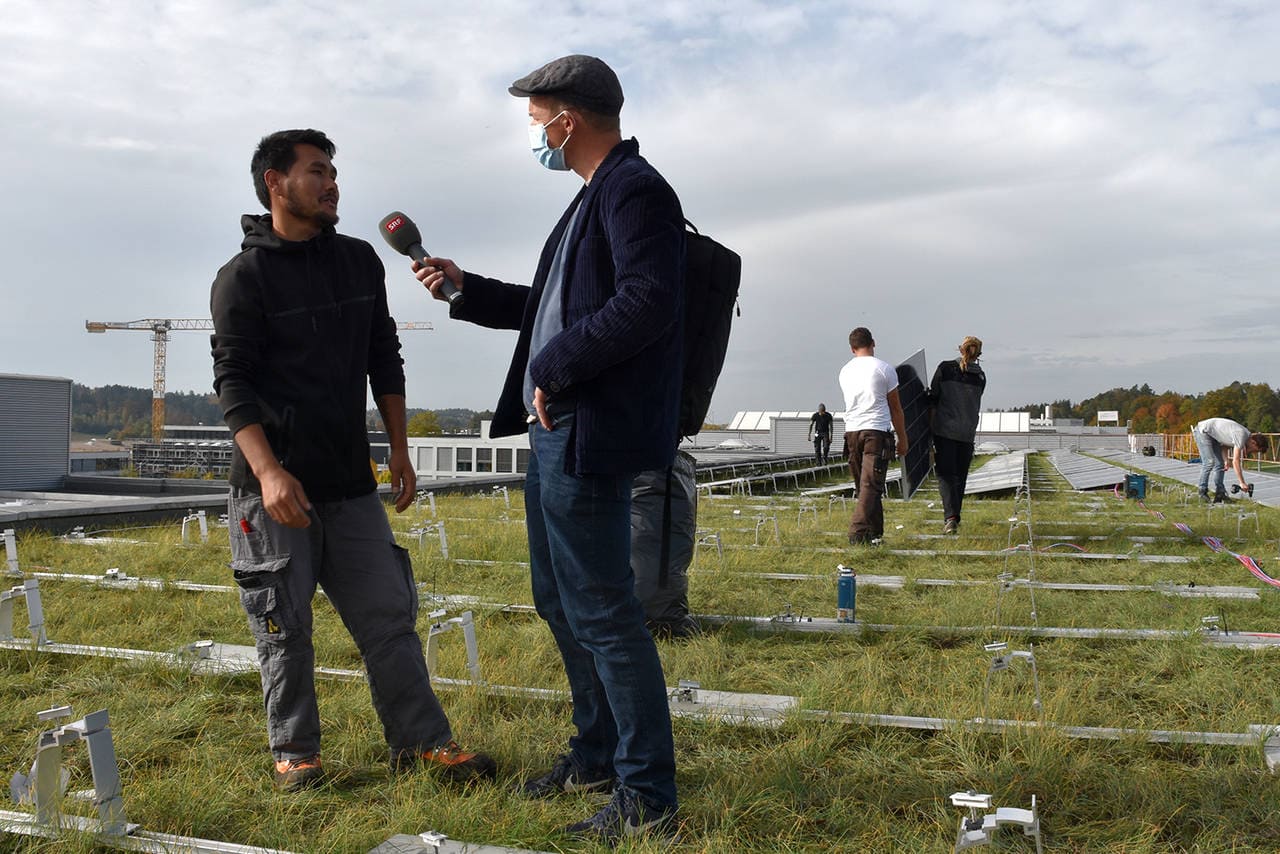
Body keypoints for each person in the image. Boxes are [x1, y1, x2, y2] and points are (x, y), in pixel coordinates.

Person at [411, 55, 682, 843]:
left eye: (537, 121)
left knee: (603, 609)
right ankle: (596, 753)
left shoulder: (635, 189)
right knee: (559, 599)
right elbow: (551, 309)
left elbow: (649, 300)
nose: (534, 134)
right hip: (558, 429)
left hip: (587, 430)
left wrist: (554, 367)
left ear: (568, 119)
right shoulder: (591, 200)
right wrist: (468, 290)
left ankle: (648, 795)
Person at [210, 129, 494, 792]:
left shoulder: (361, 261)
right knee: (285, 627)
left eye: (333, 171)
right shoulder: (242, 278)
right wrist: (269, 471)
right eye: (316, 171)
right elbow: (233, 385)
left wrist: (398, 448)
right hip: (273, 492)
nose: (332, 183)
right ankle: (296, 752)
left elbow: (382, 357)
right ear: (276, 183)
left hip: (350, 484)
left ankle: (422, 744)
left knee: (388, 617)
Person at [839, 327, 908, 545]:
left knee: (866, 485)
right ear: (873, 343)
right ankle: (858, 533)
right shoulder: (884, 369)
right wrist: (903, 438)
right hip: (876, 431)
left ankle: (875, 533)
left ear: (852, 349)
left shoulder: (844, 371)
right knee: (871, 485)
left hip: (851, 432)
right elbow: (896, 408)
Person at [927, 336, 986, 534]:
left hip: (945, 431)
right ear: (978, 354)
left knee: (946, 476)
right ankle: (954, 518)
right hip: (967, 433)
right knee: (960, 477)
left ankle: (950, 518)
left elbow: (933, 399)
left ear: (961, 349)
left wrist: (928, 430)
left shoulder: (945, 368)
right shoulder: (980, 377)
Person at [1190, 417, 1269, 502]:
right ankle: (1202, 492)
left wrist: (1226, 459)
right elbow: (1236, 461)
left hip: (1213, 436)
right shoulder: (1241, 435)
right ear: (1253, 443)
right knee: (1209, 462)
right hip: (1203, 431)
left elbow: (1225, 443)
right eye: (1256, 450)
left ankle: (1220, 493)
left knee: (1220, 464)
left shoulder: (1245, 436)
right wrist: (1242, 482)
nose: (1253, 453)